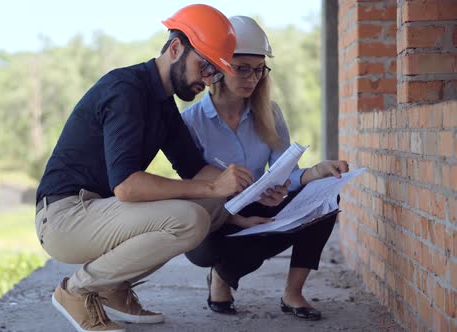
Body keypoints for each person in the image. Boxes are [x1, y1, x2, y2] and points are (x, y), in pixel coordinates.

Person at [34, 5, 260, 332]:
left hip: (98, 211)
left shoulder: (162, 103)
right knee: (189, 219)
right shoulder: (125, 90)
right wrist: (213, 188)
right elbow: (127, 186)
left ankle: (112, 286)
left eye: (215, 72)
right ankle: (78, 290)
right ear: (175, 49)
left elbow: (195, 170)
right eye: (204, 67)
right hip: (64, 217)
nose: (208, 80)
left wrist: (250, 196)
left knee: (212, 205)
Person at [181, 16, 349, 321]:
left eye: (259, 69)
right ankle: (221, 277)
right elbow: (194, 190)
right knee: (232, 256)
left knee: (325, 200)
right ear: (218, 66)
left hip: (261, 205)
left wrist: (317, 172)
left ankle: (293, 293)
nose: (252, 77)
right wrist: (240, 219)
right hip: (216, 217)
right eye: (242, 68)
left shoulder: (269, 113)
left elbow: (288, 172)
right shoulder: (191, 121)